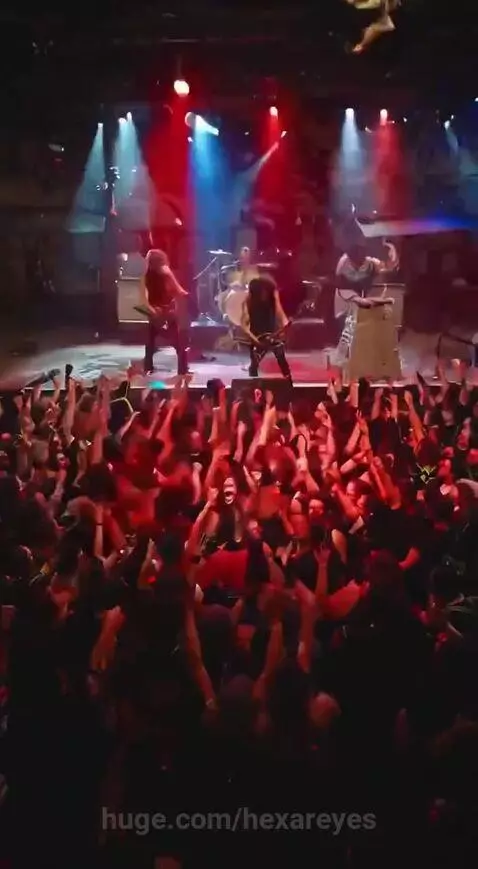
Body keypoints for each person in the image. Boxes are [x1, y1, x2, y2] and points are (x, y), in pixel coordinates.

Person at [141, 248, 189, 375]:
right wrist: (184, 293)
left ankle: (148, 367)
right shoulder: (165, 271)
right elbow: (177, 288)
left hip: (154, 312)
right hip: (166, 312)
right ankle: (183, 369)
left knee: (150, 342)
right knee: (178, 342)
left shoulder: (145, 274)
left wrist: (151, 309)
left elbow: (143, 296)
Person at [240, 274, 292, 380]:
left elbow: (279, 313)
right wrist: (255, 341)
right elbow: (244, 326)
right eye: (264, 292)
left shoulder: (273, 297)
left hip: (272, 335)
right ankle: (253, 385)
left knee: (281, 357)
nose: (266, 295)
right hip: (256, 337)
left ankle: (288, 382)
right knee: (254, 364)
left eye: (268, 292)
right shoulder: (249, 301)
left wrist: (285, 325)